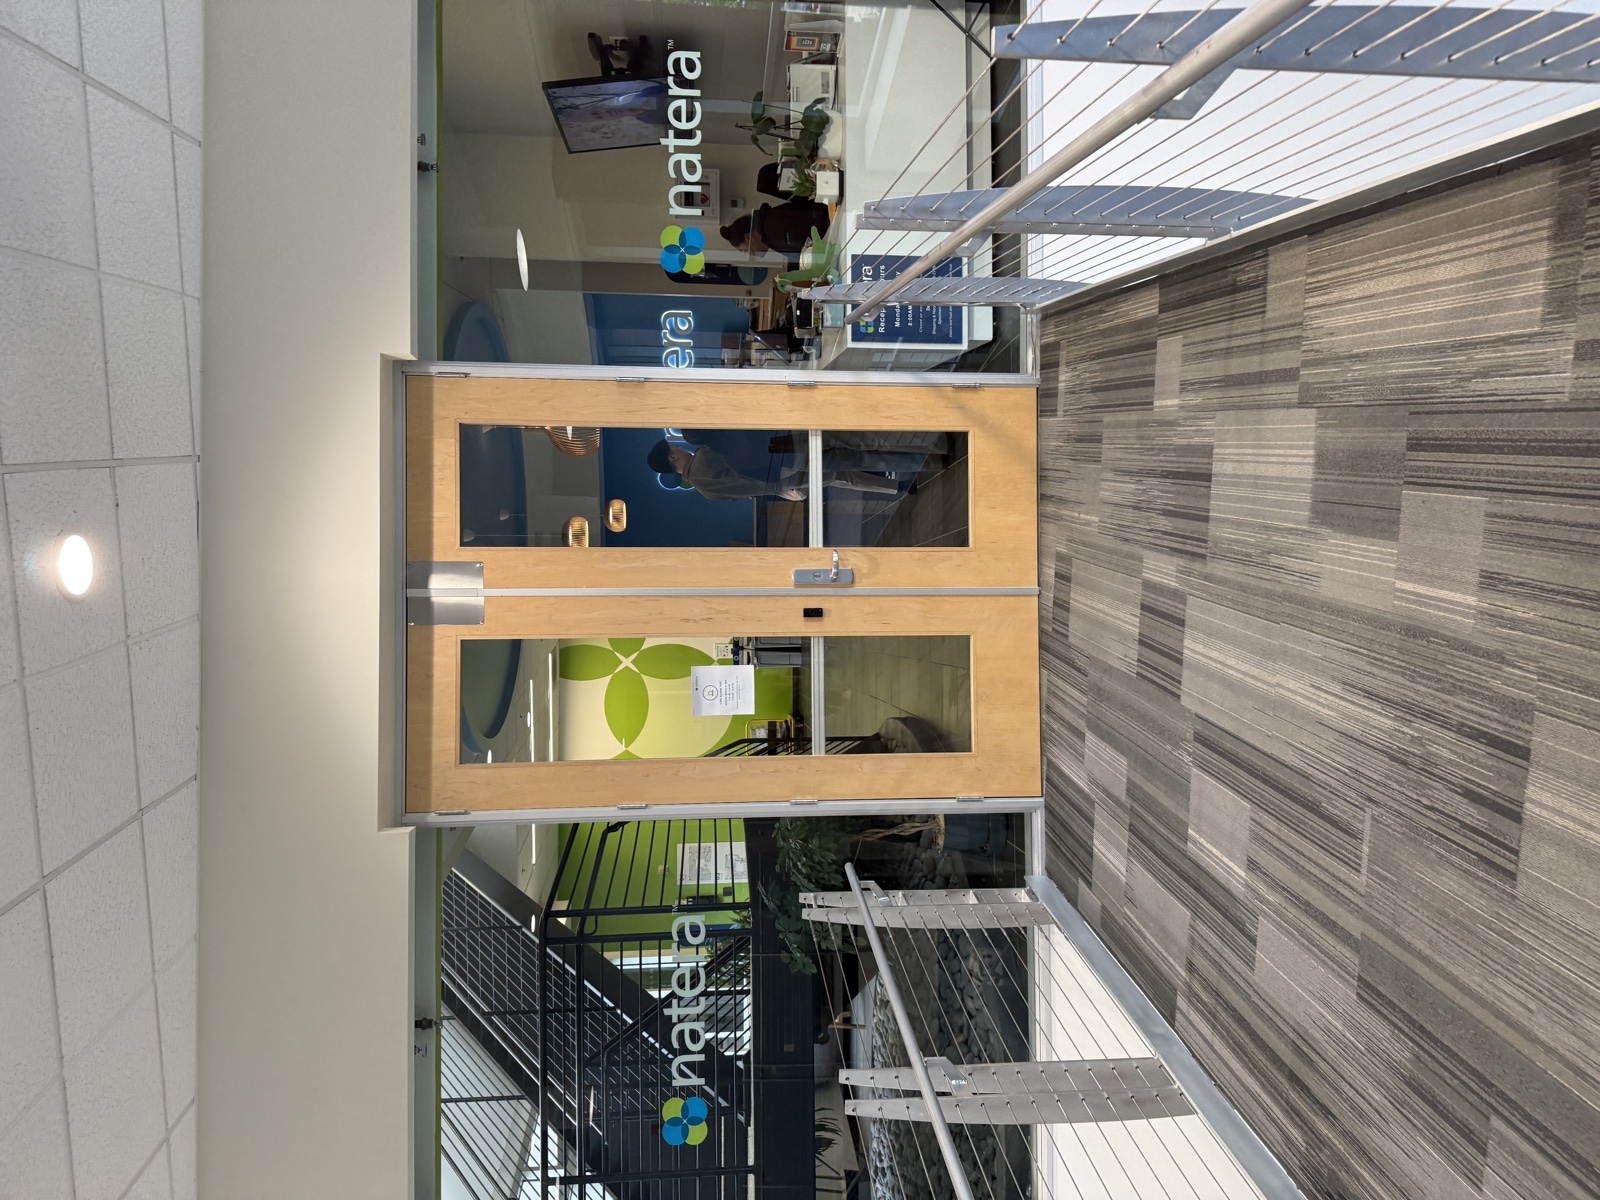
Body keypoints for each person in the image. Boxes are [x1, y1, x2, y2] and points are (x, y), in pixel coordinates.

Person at [648, 439, 806, 501]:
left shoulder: (704, 491)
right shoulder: (705, 455)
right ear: (673, 457)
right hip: (780, 468)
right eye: (675, 447)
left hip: (782, 488)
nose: (680, 447)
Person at [720, 201, 831, 262]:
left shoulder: (772, 231)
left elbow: (813, 248)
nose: (751, 254)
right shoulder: (769, 222)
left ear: (749, 237)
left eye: (745, 251)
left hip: (831, 231)